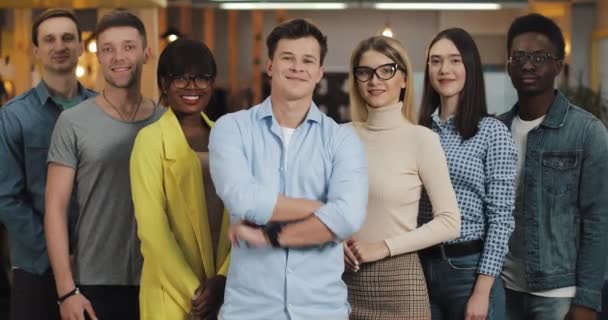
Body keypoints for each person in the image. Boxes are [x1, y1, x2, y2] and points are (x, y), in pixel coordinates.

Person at [208, 18, 368, 320]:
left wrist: (271, 237)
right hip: (249, 311)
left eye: (308, 60)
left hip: (322, 310)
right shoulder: (231, 129)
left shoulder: (342, 138)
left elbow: (348, 216)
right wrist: (324, 210)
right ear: (270, 65)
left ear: (319, 72)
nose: (297, 67)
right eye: (287, 58)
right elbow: (244, 200)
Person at [44, 11, 164, 320]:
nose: (118, 57)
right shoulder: (72, 122)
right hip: (94, 282)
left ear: (146, 53)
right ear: (99, 56)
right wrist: (66, 291)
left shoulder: (166, 121)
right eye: (108, 49)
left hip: (158, 279)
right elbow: (55, 209)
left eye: (128, 46)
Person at [342, 35, 460, 320]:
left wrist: (382, 247)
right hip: (342, 280)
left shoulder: (421, 139)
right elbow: (318, 204)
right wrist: (334, 242)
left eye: (387, 70)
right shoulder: (340, 135)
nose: (375, 80)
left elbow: (450, 222)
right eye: (365, 72)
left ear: (404, 79)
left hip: (400, 283)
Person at [499, 13, 608, 320]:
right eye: (518, 56)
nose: (528, 65)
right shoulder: (496, 130)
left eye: (539, 57)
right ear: (508, 65)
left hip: (559, 293)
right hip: (503, 287)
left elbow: (598, 222)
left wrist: (587, 300)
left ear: (558, 65)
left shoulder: (588, 132)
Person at [0, 9, 96, 320]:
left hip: (96, 264)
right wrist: (55, 256)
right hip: (35, 267)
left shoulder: (102, 110)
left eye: (68, 38)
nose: (60, 46)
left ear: (81, 47)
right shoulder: (14, 116)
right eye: (50, 39)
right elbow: (7, 198)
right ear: (36, 50)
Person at [417, 28, 517, 320]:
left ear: (469, 67)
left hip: (470, 270)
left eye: (454, 60)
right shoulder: (419, 131)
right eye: (435, 61)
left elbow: (501, 219)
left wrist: (482, 291)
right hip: (422, 268)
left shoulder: (492, 133)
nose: (444, 69)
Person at [130, 38, 230, 320]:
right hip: (173, 294)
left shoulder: (228, 137)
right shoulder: (149, 141)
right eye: (181, 78)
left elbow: (246, 217)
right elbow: (152, 233)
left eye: (202, 78)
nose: (192, 87)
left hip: (226, 293)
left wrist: (223, 280)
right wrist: (198, 293)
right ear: (163, 83)